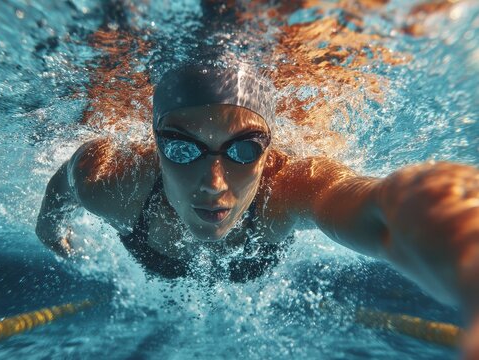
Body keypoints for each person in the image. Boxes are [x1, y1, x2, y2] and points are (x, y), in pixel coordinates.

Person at [36, 64, 478, 353]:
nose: (213, 184)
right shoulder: (109, 182)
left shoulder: (288, 189)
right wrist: (49, 232)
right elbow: (61, 188)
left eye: (243, 150)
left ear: (269, 152)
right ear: (155, 144)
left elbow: (384, 207)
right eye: (182, 148)